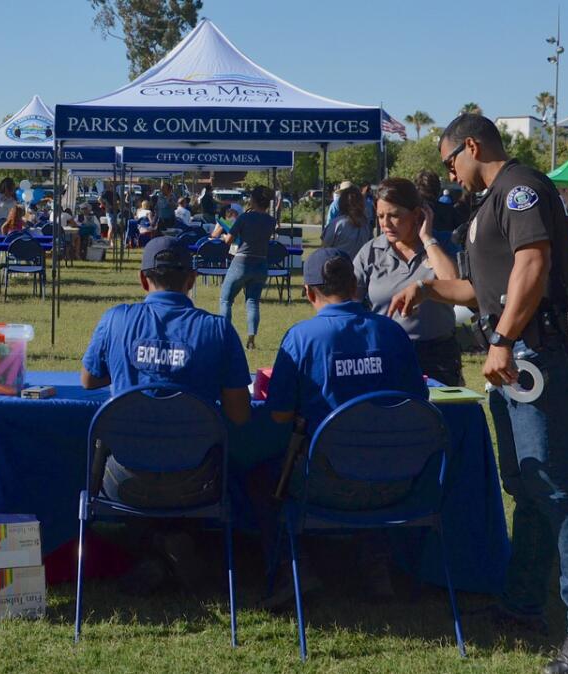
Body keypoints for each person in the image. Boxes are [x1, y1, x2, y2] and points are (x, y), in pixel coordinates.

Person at [391, 114, 568, 673]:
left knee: (554, 483)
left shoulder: (519, 189)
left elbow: (534, 264)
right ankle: (523, 606)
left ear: (472, 146)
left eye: (452, 161)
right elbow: (481, 289)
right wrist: (427, 287)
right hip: (517, 360)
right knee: (526, 482)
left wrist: (502, 337)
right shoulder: (488, 203)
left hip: (538, 355)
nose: (450, 173)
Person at [257, 247, 429, 607]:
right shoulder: (392, 333)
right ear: (355, 285)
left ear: (309, 291)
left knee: (261, 475)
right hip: (398, 483)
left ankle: (296, 570)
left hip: (324, 485)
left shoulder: (302, 338)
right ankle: (376, 565)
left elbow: (277, 417)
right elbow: (418, 400)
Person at [80, 236, 251, 592]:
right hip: (197, 482)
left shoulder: (116, 319)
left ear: (143, 279)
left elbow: (89, 379)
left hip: (123, 483)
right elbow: (239, 413)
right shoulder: (218, 330)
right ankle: (166, 547)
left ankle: (155, 551)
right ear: (192, 280)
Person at [353, 178, 465, 385]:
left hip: (438, 356)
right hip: (385, 352)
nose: (386, 224)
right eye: (380, 216)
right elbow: (349, 303)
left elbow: (455, 283)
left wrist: (428, 238)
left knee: (440, 416)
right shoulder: (371, 252)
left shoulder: (443, 244)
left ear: (417, 214)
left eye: (394, 215)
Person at [214, 186, 277, 349]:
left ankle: (225, 336)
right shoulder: (271, 221)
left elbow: (229, 240)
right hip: (261, 263)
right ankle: (251, 337)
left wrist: (223, 236)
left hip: (241, 261)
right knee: (253, 302)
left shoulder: (243, 218)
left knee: (226, 299)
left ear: (253, 200)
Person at [322, 185, 372, 258]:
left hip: (337, 265)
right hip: (358, 266)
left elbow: (324, 249)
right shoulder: (366, 226)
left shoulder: (337, 224)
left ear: (342, 202)